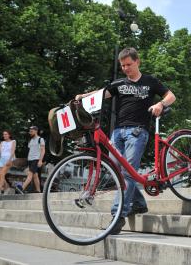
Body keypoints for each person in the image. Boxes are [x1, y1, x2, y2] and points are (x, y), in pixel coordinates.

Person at [75, 47, 176, 234]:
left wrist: (160, 104)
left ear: (137, 62)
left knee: (128, 172)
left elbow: (171, 96)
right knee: (116, 170)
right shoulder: (119, 83)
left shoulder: (150, 81)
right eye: (122, 65)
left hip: (138, 132)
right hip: (118, 133)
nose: (126, 68)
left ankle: (118, 216)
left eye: (129, 64)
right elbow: (100, 94)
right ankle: (138, 203)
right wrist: (83, 97)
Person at [21, 126, 45, 193]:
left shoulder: (40, 139)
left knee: (30, 174)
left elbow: (43, 150)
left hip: (36, 159)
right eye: (30, 131)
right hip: (30, 160)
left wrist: (40, 160)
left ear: (36, 131)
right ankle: (38, 190)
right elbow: (30, 150)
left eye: (31, 131)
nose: (30, 133)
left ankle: (22, 188)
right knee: (35, 176)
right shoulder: (30, 140)